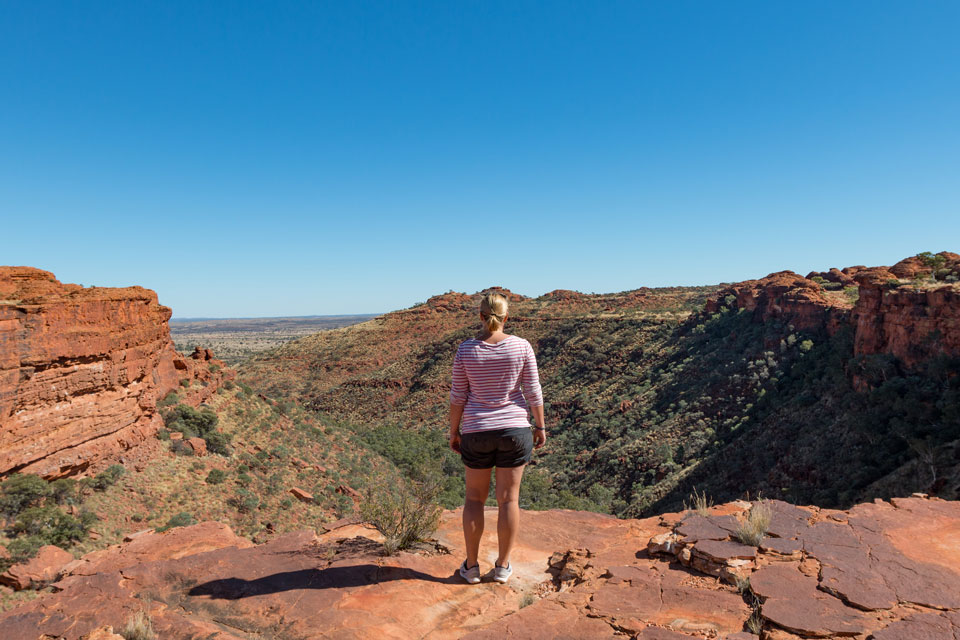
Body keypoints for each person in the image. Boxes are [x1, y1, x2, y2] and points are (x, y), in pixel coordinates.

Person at [448, 292, 546, 585]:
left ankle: (471, 567)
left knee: (474, 499)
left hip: (476, 432)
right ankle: (502, 567)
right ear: (506, 317)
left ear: (480, 316)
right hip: (515, 431)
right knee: (508, 500)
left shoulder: (466, 350)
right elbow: (533, 390)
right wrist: (540, 427)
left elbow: (458, 396)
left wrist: (454, 432)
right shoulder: (522, 347)